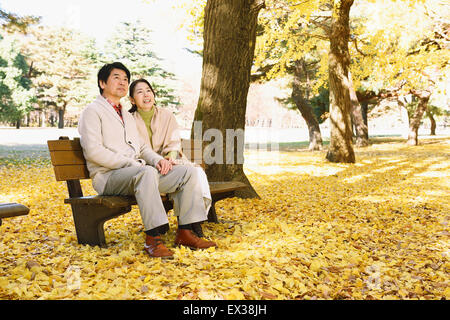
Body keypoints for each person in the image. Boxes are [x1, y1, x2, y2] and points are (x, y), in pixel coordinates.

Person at [78, 62, 216, 259]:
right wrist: (131, 164)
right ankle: (153, 239)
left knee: (189, 173)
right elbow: (93, 151)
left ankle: (185, 232)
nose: (122, 82)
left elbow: (142, 147)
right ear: (102, 83)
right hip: (108, 176)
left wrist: (159, 160)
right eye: (116, 78)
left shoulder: (125, 114)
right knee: (146, 172)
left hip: (138, 173)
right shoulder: (92, 111)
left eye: (125, 79)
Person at [128, 78, 212, 237]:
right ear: (132, 100)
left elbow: (174, 143)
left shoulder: (166, 115)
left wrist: (170, 158)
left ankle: (191, 223)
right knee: (183, 177)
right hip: (143, 168)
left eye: (148, 90)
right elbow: (133, 149)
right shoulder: (128, 119)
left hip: (169, 162)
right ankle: (189, 224)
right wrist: (156, 162)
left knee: (195, 173)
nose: (146, 95)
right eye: (140, 92)